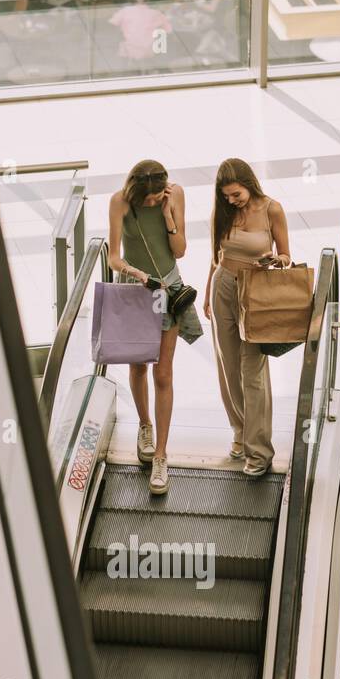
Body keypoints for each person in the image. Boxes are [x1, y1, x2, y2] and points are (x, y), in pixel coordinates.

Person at [108, 159, 202, 495]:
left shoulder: (174, 196)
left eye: (154, 198)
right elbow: (113, 256)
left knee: (163, 372)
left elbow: (180, 251)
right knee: (138, 366)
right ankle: (144, 425)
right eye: (145, 200)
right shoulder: (120, 201)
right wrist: (135, 273)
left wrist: (166, 216)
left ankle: (161, 454)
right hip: (136, 289)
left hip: (167, 289)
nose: (149, 203)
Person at [203, 158, 292, 477]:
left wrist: (275, 259)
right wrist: (206, 292)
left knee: (251, 370)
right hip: (223, 285)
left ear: (249, 185)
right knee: (228, 367)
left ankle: (260, 451)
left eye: (236, 194)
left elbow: (286, 256)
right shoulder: (222, 210)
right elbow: (216, 256)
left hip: (255, 290)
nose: (231, 200)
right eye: (226, 196)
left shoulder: (272, 209)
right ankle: (240, 433)